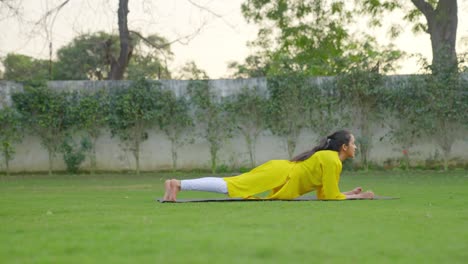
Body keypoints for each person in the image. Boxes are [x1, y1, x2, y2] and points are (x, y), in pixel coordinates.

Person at [163, 130, 375, 201]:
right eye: (354, 144)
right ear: (345, 147)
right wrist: (357, 196)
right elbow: (330, 197)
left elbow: (325, 194)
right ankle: (178, 184)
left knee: (234, 185)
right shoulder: (332, 160)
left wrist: (348, 193)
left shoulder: (330, 159)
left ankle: (178, 185)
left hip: (281, 172)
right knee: (232, 185)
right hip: (280, 173)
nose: (356, 147)